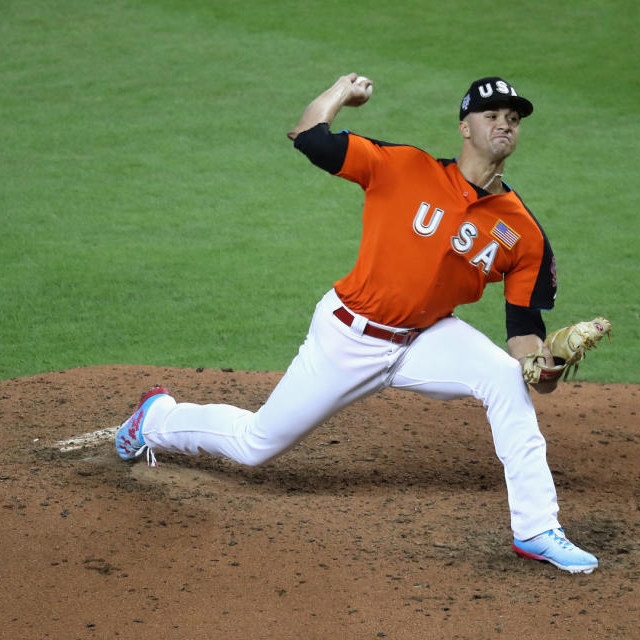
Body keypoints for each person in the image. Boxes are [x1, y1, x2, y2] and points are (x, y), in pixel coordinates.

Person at [115, 73, 598, 574]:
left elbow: (523, 327)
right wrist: (341, 93)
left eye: (513, 119)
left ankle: (537, 530)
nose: (504, 125)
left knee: (503, 378)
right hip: (348, 335)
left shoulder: (524, 231)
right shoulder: (405, 167)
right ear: (464, 127)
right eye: (491, 115)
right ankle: (156, 418)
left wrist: (540, 367)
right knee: (255, 445)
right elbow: (309, 137)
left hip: (426, 337)